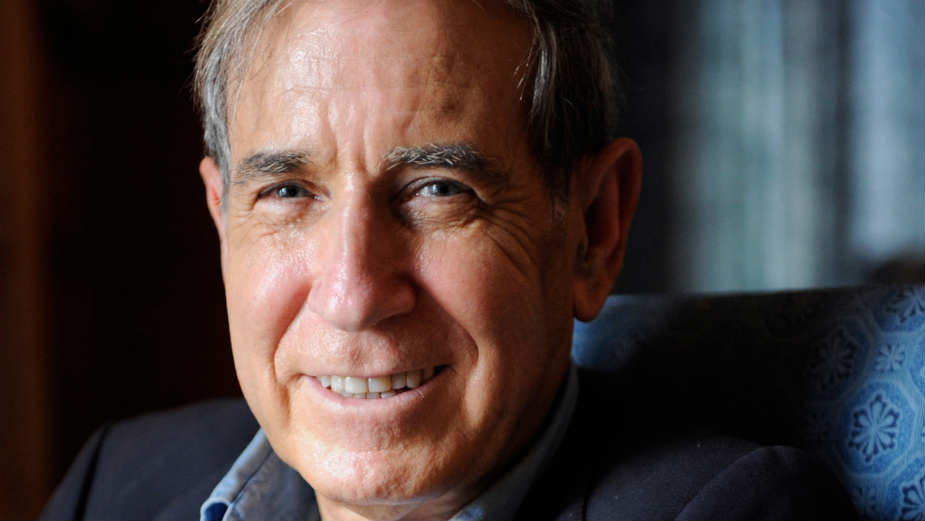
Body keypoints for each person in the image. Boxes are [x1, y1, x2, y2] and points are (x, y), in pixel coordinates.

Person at [40, 1, 856, 519]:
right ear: (223, 221)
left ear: (593, 229)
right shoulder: (117, 482)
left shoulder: (728, 509)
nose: (353, 294)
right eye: (287, 192)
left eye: (437, 189)